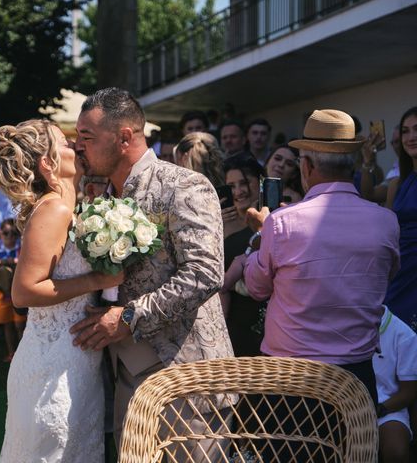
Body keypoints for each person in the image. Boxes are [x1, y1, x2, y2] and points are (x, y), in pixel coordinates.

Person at [71, 88, 234, 456]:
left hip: (185, 378)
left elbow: (205, 272)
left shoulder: (184, 185)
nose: (78, 146)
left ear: (125, 137)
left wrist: (129, 317)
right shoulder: (99, 195)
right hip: (122, 376)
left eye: (87, 137)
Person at [240, 109, 400, 401]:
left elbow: (255, 287)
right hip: (356, 376)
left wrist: (258, 239)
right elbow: (385, 278)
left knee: (289, 449)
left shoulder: (282, 222)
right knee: (354, 448)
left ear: (308, 166)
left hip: (290, 378)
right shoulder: (386, 221)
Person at [0, 119, 123, 462]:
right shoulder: (54, 208)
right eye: (65, 144)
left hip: (75, 357)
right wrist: (97, 281)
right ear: (47, 163)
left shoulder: (69, 207)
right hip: (52, 364)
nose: (76, 147)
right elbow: (24, 292)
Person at [219, 154, 268, 356]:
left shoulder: (274, 221)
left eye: (245, 183)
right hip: (234, 324)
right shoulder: (217, 222)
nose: (238, 191)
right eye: (231, 186)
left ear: (261, 183)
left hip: (267, 319)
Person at [384, 107, 417, 331]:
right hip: (400, 269)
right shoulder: (397, 183)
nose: (411, 137)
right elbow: (386, 231)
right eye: (405, 131)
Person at [373, 305, 417, 463]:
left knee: (396, 451)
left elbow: (409, 392)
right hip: (345, 405)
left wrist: (377, 410)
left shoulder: (404, 335)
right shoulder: (341, 326)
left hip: (387, 409)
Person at [0, 218, 24, 362]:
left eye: (14, 233)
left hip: (17, 293)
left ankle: (22, 355)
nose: (10, 237)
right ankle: (11, 352)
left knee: (20, 324)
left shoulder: (20, 252)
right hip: (2, 295)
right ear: (0, 233)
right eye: (6, 233)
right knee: (7, 324)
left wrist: (15, 262)